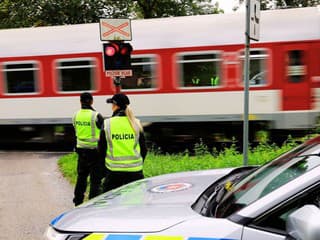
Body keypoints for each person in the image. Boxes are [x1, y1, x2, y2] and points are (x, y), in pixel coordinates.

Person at [98, 93, 147, 192]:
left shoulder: (108, 124)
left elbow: (101, 150)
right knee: (136, 202)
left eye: (112, 104)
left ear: (115, 106)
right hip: (135, 172)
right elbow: (144, 149)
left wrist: (103, 171)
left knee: (111, 203)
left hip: (114, 172)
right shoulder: (136, 123)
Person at [72, 92, 104, 206]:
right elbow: (104, 132)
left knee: (81, 177)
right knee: (95, 180)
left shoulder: (75, 115)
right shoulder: (96, 115)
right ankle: (92, 203)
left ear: (80, 101)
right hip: (95, 151)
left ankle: (78, 201)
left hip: (81, 151)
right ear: (91, 101)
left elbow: (75, 132)